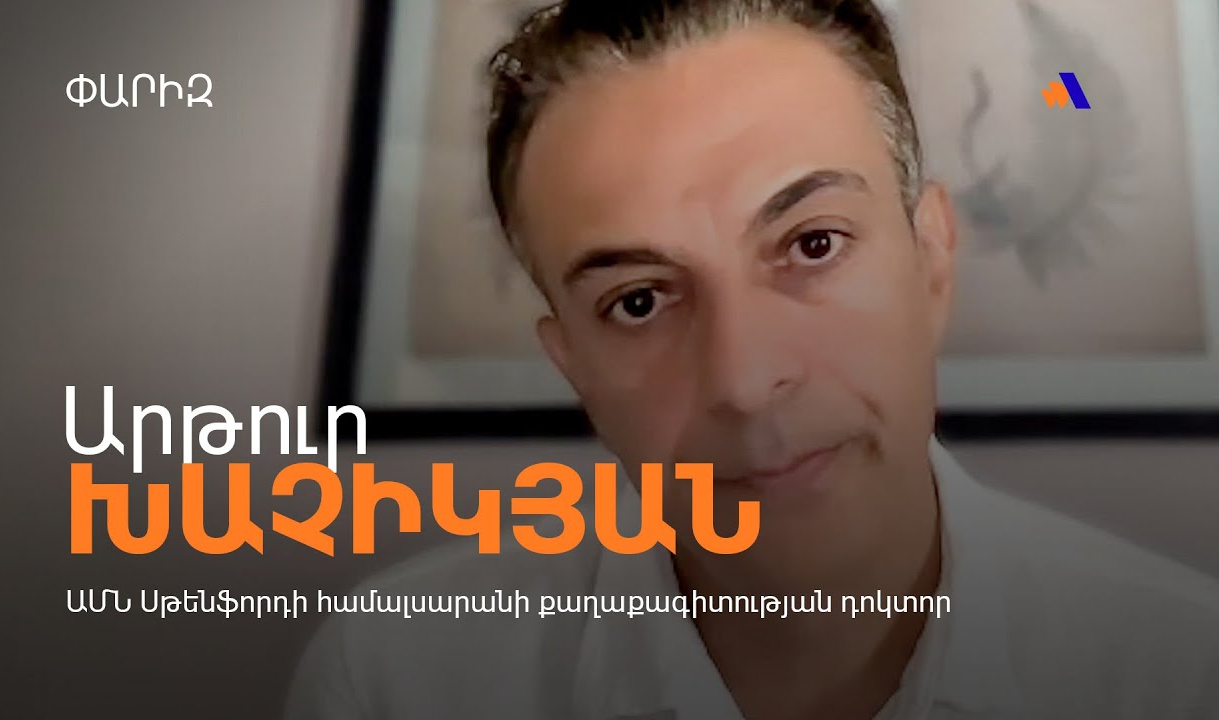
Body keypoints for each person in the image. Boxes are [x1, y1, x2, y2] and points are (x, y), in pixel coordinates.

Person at [286, 1, 1219, 718]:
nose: (742, 381)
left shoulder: (1183, 675)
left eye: (813, 244)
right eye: (639, 301)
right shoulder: (396, 679)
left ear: (932, 260)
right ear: (574, 366)